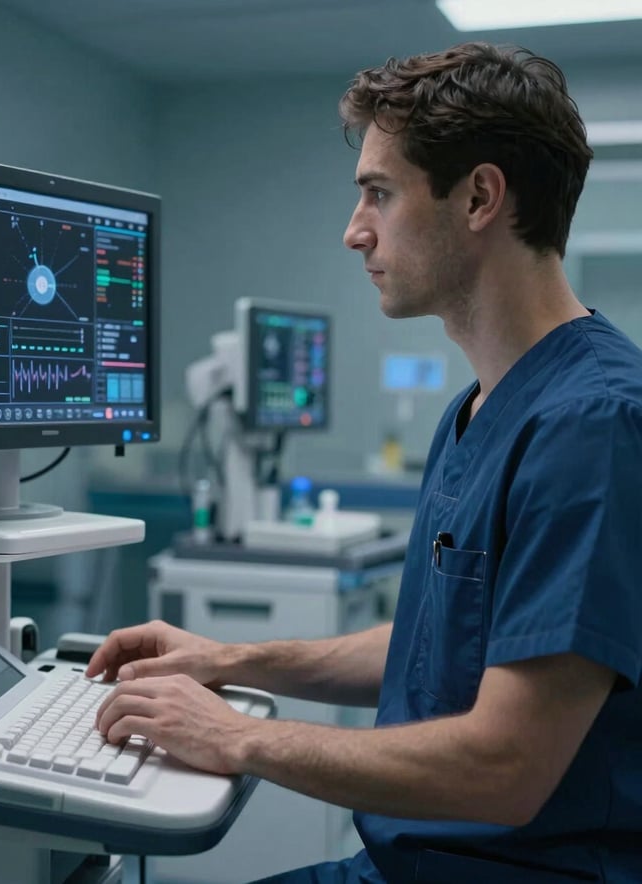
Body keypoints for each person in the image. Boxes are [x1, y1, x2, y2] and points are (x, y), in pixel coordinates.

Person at [87, 42, 642, 883]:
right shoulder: (482, 408)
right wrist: (226, 660)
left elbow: (508, 767)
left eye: (379, 194)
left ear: (480, 198)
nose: (355, 232)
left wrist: (235, 735)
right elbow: (432, 644)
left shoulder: (590, 423)